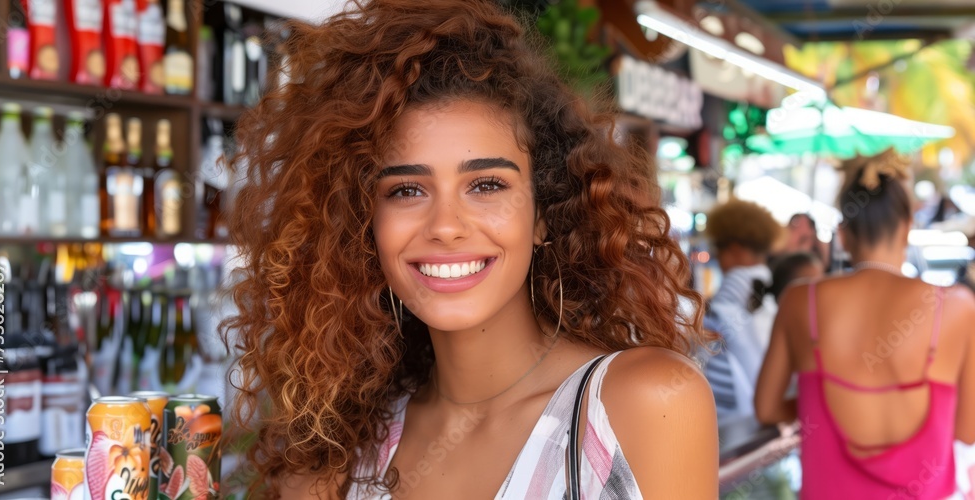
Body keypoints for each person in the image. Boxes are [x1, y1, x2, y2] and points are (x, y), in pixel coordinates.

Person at [222, 1, 718, 498]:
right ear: (363, 227)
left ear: (544, 213)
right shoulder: (337, 450)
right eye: (406, 190)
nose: (445, 227)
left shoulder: (640, 405)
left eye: (486, 185)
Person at [755, 150, 975, 499]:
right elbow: (967, 431)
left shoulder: (801, 301)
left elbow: (767, 407)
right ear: (907, 227)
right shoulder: (957, 307)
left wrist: (822, 405)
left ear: (843, 234)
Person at [699, 199, 782, 420]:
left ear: (735, 250)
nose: (717, 258)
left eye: (718, 250)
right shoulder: (768, 282)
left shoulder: (736, 284)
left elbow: (705, 332)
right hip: (760, 406)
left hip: (731, 413)